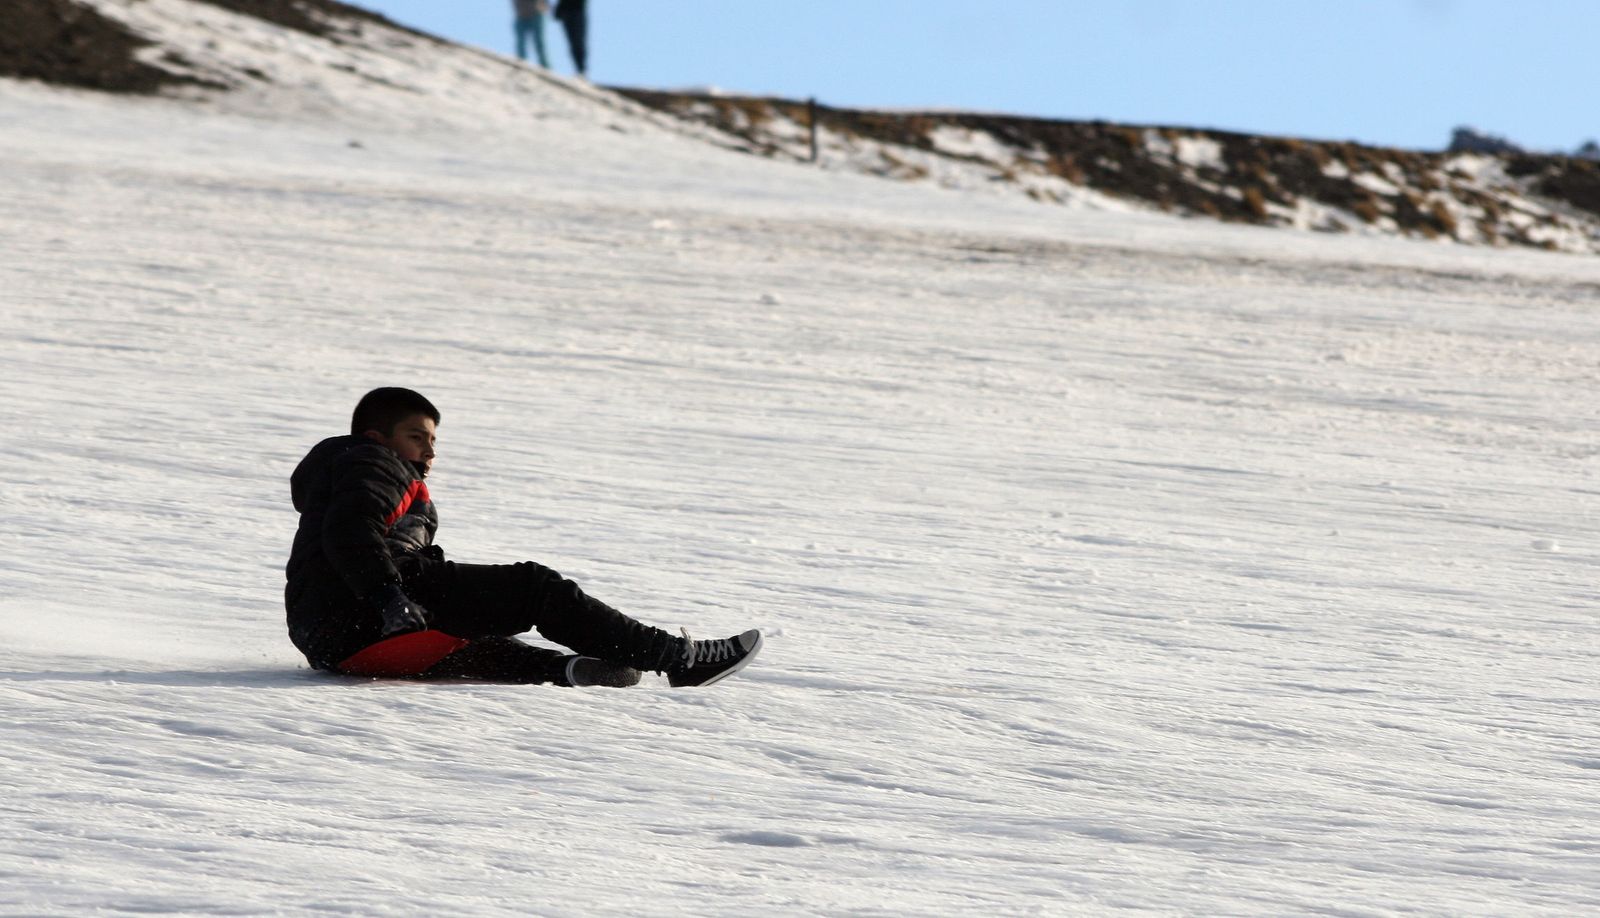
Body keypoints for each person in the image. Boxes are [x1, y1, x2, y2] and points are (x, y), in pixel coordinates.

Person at [284, 387, 763, 687]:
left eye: (433, 440)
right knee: (533, 587)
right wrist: (388, 597)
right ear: (377, 436)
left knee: (462, 635)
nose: (429, 450)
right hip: (366, 614)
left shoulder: (342, 471)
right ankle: (682, 659)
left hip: (332, 642)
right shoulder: (373, 463)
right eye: (417, 436)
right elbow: (351, 532)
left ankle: (564, 670)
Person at [554, 0, 588, 77]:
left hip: (577, 11)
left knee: (578, 42)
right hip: (566, 13)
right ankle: (579, 70)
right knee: (573, 44)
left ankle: (581, 70)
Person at [511, 0, 550, 68]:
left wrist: (543, 6)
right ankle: (521, 63)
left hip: (536, 14)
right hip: (521, 16)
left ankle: (545, 66)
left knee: (539, 43)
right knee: (521, 42)